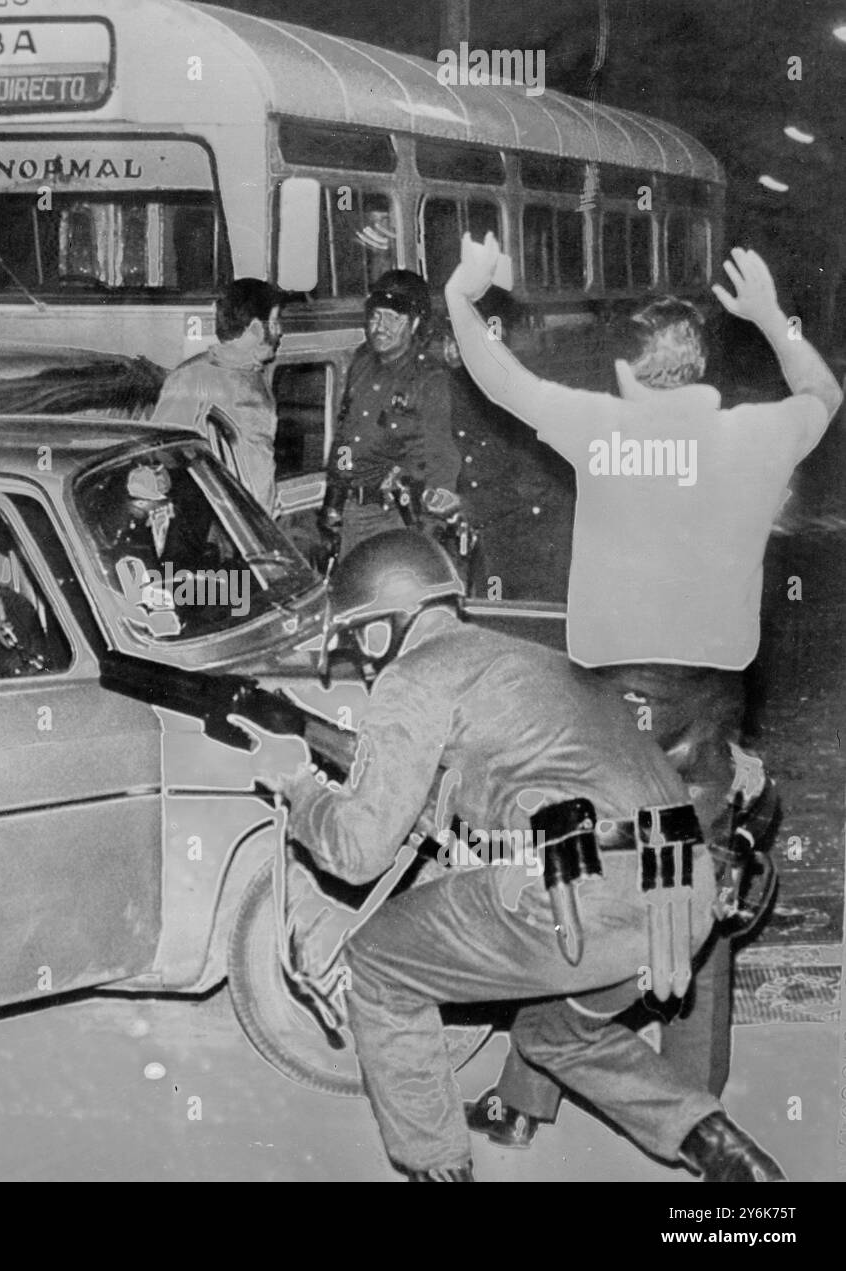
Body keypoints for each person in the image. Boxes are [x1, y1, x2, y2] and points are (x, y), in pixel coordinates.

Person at [445, 232, 842, 1146]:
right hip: (709, 709)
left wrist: (468, 296)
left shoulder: (600, 428)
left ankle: (520, 1104)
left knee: (577, 889)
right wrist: (773, 313)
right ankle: (696, 1116)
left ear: (626, 369)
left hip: (607, 705)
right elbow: (824, 392)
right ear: (700, 364)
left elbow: (497, 376)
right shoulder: (754, 434)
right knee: (695, 894)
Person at [252, 530, 786, 1182]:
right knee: (554, 1035)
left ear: (388, 624)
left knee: (380, 967)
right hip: (682, 897)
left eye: (358, 637)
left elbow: (359, 852)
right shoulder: (531, 660)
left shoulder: (414, 674)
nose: (359, 662)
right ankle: (726, 1152)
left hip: (577, 895)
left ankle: (438, 1169)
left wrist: (298, 785)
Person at [319, 270, 462, 563]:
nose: (379, 326)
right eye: (375, 316)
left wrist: (428, 535)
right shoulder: (361, 361)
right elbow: (347, 435)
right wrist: (334, 499)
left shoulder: (429, 379)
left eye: (392, 318)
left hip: (394, 516)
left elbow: (440, 461)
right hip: (351, 511)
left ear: (415, 323)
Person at [151, 278, 288, 511]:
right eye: (274, 322)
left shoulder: (253, 373)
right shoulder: (194, 377)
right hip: (220, 527)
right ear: (255, 328)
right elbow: (161, 452)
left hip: (254, 526)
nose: (280, 331)